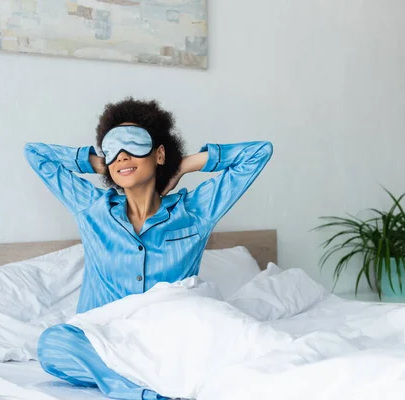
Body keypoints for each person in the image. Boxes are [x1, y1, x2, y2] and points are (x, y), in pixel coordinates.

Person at [24, 97, 273, 399]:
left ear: (158, 153)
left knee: (244, 343)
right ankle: (139, 391)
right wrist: (103, 163)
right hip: (105, 336)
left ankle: (145, 378)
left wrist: (183, 166)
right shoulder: (92, 208)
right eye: (114, 149)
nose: (123, 156)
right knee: (53, 346)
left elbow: (259, 153)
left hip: (173, 339)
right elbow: (35, 154)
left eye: (133, 145)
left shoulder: (195, 211)